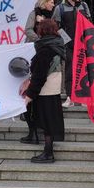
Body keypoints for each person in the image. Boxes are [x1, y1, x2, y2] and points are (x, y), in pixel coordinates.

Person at [23, 19, 66, 163]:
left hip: (46, 89)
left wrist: (30, 94)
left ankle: (48, 153)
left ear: (42, 31)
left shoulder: (45, 48)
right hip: (54, 87)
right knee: (50, 120)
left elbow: (40, 75)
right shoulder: (57, 44)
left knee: (47, 121)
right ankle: (48, 151)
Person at [52, 0, 91, 108]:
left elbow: (89, 24)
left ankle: (84, 97)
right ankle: (70, 97)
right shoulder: (60, 8)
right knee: (69, 72)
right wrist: (67, 41)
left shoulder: (84, 6)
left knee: (84, 71)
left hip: (83, 45)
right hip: (68, 46)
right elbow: (56, 27)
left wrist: (86, 40)